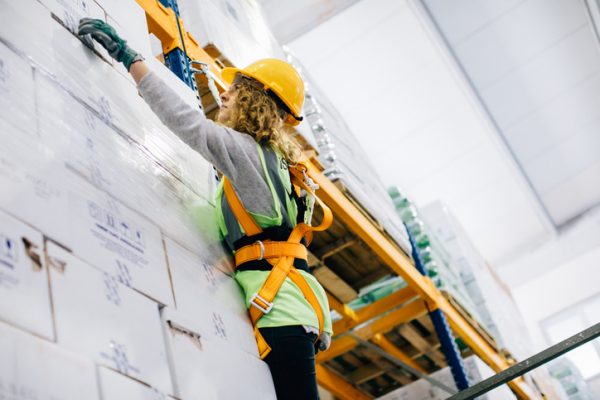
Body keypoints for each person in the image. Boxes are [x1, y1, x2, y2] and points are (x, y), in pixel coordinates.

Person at [78, 18, 333, 400]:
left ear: (256, 101)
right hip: (290, 310)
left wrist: (129, 58)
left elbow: (188, 125)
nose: (225, 95)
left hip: (282, 313)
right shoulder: (280, 164)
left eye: (236, 90)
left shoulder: (247, 154)